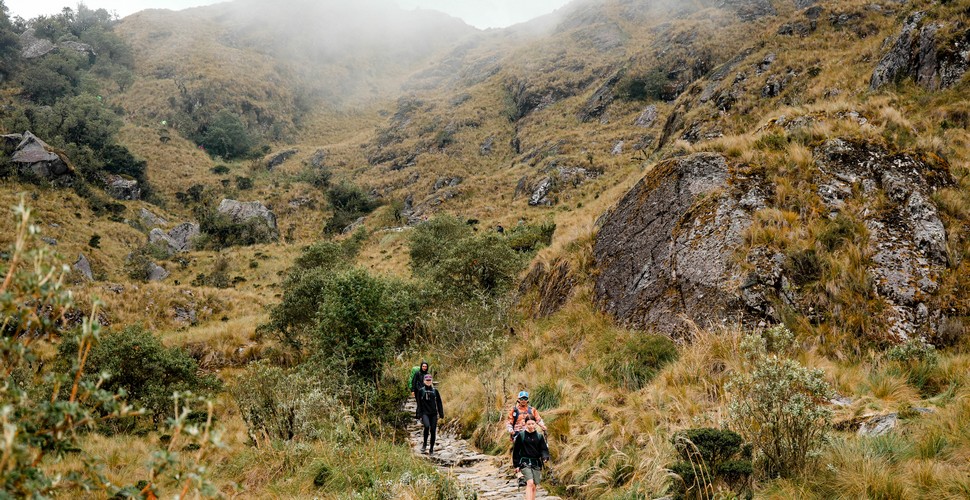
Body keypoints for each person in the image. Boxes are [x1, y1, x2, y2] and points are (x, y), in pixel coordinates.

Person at [512, 416, 549, 500]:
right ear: (525, 424)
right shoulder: (521, 436)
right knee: (530, 483)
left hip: (536, 463)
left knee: (534, 485)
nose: (531, 426)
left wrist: (545, 457)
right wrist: (516, 465)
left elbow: (543, 449)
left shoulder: (539, 436)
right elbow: (516, 451)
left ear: (535, 424)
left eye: (532, 423)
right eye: (529, 424)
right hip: (524, 462)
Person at [415, 374, 444, 454]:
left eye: (429, 380)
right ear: (424, 381)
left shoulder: (435, 391)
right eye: (427, 380)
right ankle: (424, 444)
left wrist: (441, 413)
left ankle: (431, 449)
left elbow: (439, 402)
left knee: (433, 430)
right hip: (425, 413)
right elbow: (419, 403)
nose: (428, 382)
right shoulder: (421, 391)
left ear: (431, 381)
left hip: (433, 414)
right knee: (427, 426)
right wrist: (418, 414)